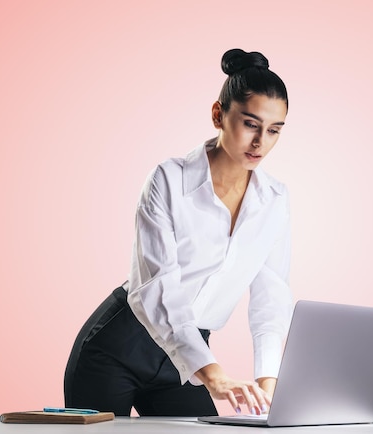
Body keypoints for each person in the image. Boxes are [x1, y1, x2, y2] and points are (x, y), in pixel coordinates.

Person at [64, 48, 293, 417]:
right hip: (118, 348)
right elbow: (157, 287)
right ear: (218, 114)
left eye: (274, 130)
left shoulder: (274, 200)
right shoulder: (168, 180)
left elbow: (271, 300)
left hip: (185, 362)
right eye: (251, 124)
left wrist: (269, 385)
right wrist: (215, 375)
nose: (260, 142)